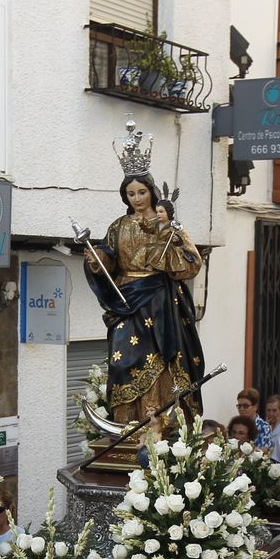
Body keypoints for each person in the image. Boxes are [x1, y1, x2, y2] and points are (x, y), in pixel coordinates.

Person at [83, 172, 205, 426]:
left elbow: (190, 260)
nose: (136, 199)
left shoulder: (166, 224)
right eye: (131, 194)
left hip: (160, 300)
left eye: (141, 192)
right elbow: (109, 254)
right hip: (126, 300)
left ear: (151, 192)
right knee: (123, 358)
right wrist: (98, 259)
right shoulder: (119, 226)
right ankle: (129, 419)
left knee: (162, 356)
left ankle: (163, 418)